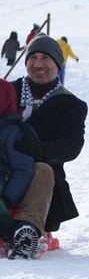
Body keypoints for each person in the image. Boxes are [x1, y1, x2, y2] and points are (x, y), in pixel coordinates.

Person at [6, 34, 86, 257]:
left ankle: (27, 231)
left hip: (41, 179)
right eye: (33, 57)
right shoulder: (8, 93)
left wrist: (39, 150)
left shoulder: (71, 105)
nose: (38, 64)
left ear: (58, 64)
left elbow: (71, 146)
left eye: (45, 58)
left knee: (42, 169)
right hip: (4, 166)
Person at [0, 79, 37, 252]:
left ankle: (13, 236)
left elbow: (23, 170)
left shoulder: (13, 132)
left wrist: (9, 197)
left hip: (4, 180)